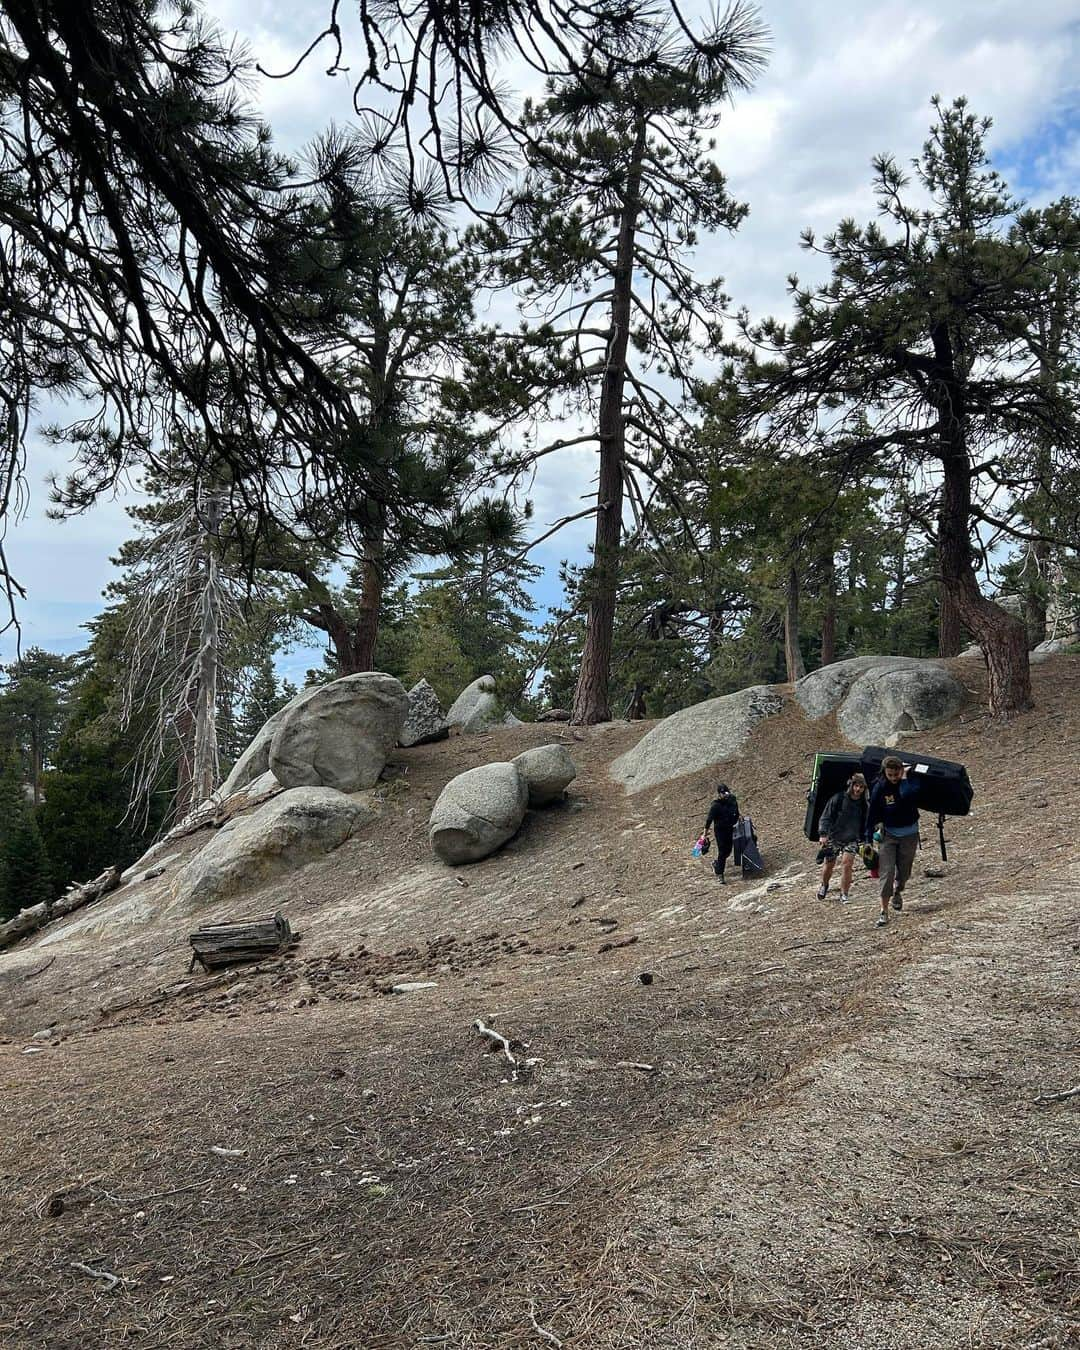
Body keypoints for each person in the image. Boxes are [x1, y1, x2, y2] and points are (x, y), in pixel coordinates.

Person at [865, 755, 921, 928]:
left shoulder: (911, 782)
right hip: (888, 835)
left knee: (904, 872)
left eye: (896, 774)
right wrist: (867, 839)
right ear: (885, 773)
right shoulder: (880, 787)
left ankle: (898, 890)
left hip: (910, 833)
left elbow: (909, 795)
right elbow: (872, 813)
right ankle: (884, 911)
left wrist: (904, 778)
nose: (893, 778)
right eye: (890, 775)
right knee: (886, 872)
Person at [816, 773, 868, 903]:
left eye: (861, 787)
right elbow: (825, 817)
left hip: (852, 838)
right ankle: (824, 885)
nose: (858, 790)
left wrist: (868, 838)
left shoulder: (864, 804)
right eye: (856, 786)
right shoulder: (838, 799)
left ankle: (844, 894)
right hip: (834, 837)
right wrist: (823, 834)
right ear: (851, 785)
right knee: (829, 864)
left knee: (847, 864)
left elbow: (867, 822)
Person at [702, 783, 739, 884]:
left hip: (730, 829)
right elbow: (709, 820)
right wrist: (704, 834)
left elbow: (736, 812)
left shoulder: (732, 800)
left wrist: (739, 818)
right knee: (722, 852)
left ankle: (716, 864)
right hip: (720, 832)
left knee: (728, 851)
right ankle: (720, 875)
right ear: (719, 794)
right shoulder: (715, 806)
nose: (725, 795)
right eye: (723, 793)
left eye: (726, 793)